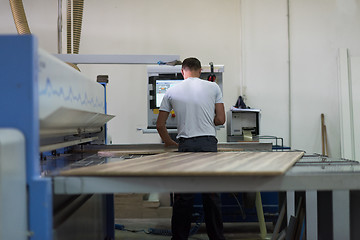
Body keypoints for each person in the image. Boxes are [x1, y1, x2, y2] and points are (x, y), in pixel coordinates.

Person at [156, 57, 226, 240]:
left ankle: (179, 238)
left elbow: (160, 125)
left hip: (186, 144)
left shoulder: (172, 90)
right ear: (200, 70)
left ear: (182, 71)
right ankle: (217, 238)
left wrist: (169, 142)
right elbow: (221, 119)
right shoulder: (214, 88)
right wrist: (205, 121)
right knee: (211, 197)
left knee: (183, 197)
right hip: (208, 144)